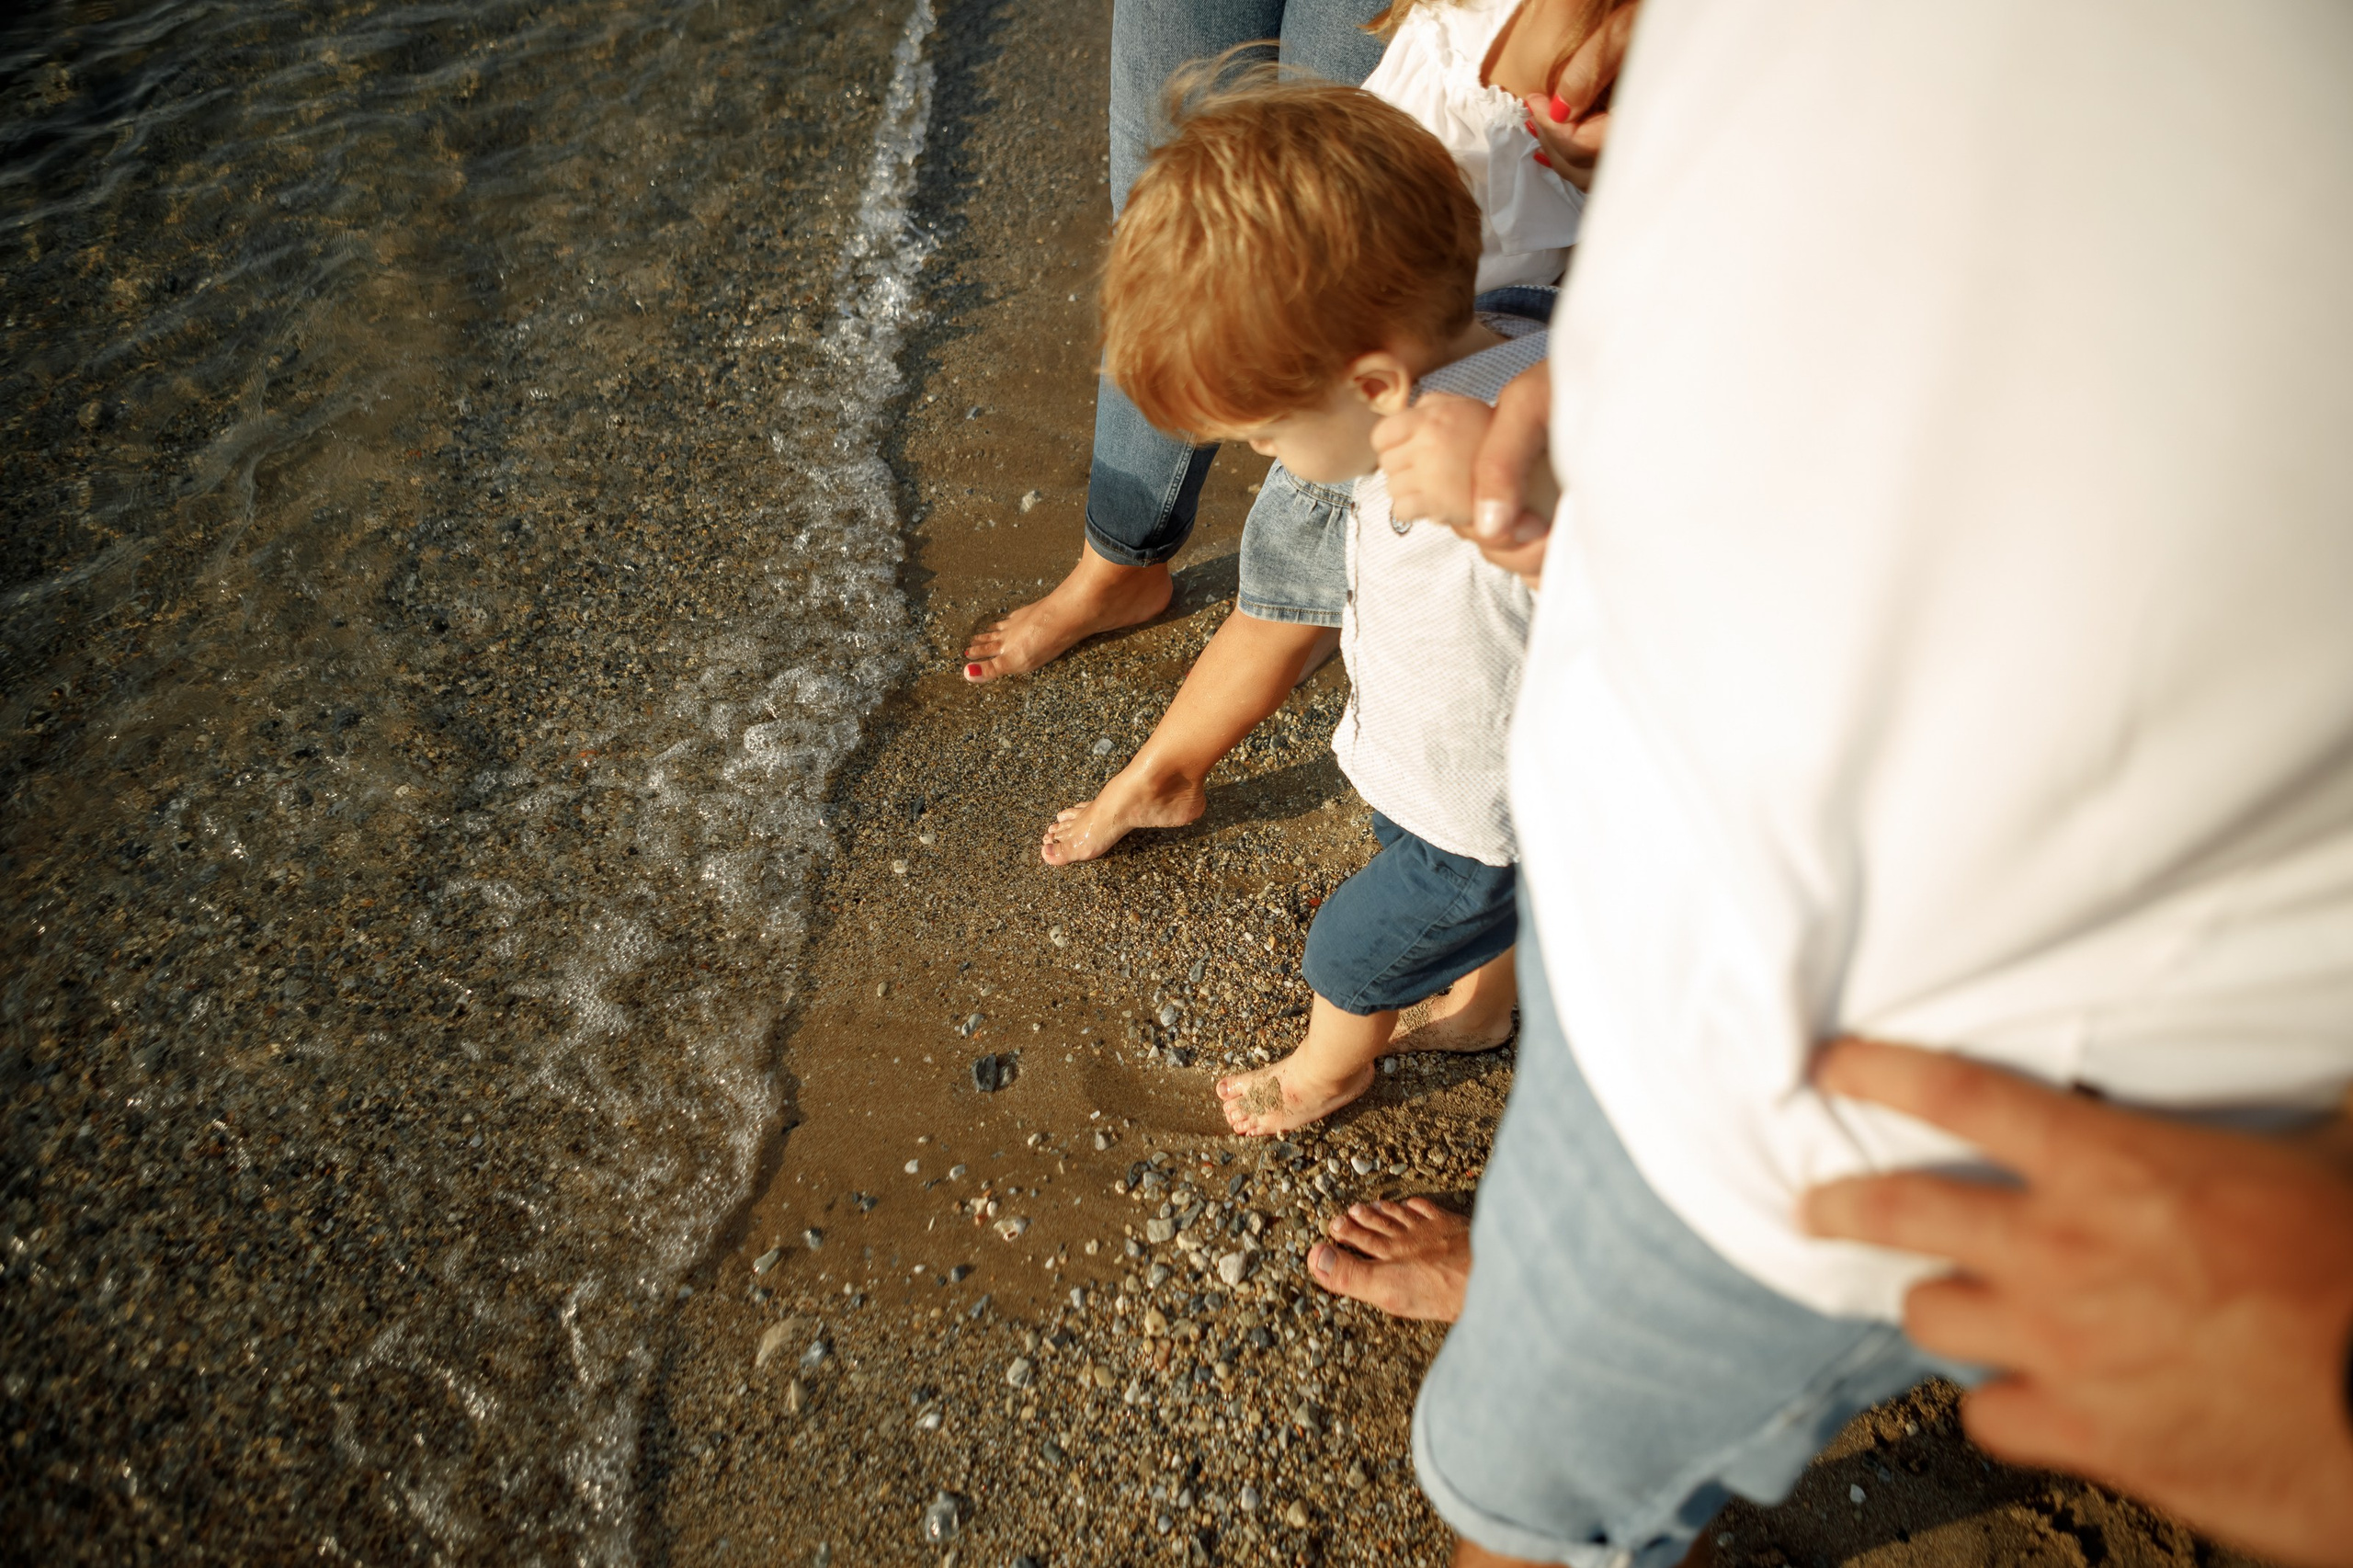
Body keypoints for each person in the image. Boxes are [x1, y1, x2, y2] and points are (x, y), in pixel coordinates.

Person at [1323, 2, 2353, 1565]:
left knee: (1516, 1490)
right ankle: (1530, 1262)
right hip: (1639, 782)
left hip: (1869, 1054)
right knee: (1558, 1139)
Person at [1086, 68, 1552, 1137]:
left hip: (1486, 811)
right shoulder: (1508, 341)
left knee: (1351, 945)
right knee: (1419, 863)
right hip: (1429, 762)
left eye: (1265, 434)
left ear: (1377, 385)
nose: (1261, 458)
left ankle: (1329, 1069)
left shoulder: (1507, 472)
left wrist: (1510, 519)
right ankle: (1487, 1005)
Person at [1038, 0, 1586, 864]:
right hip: (1394, 311)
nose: (1254, 452)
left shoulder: (1483, 449)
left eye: (1259, 433)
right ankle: (1168, 764)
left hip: (1390, 345)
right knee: (1305, 577)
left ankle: (1483, 980)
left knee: (1316, 585)